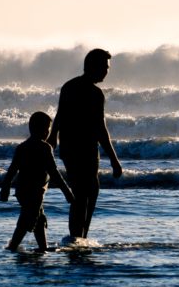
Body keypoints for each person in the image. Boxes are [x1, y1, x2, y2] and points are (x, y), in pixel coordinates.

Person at [48, 48, 123, 240]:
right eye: (105, 67)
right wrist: (114, 160)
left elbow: (59, 115)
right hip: (84, 149)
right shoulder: (95, 93)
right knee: (84, 194)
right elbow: (100, 128)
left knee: (86, 192)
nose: (107, 72)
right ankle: (78, 237)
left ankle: (80, 236)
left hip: (69, 148)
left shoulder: (69, 86)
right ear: (93, 66)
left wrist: (53, 137)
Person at [0, 111, 74, 252]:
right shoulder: (45, 148)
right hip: (35, 192)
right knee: (27, 220)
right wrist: (67, 191)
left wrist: (5, 189)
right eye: (47, 129)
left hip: (22, 191)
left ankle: (42, 247)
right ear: (37, 129)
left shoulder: (21, 147)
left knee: (38, 219)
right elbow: (54, 173)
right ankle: (13, 246)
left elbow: (11, 171)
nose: (48, 132)